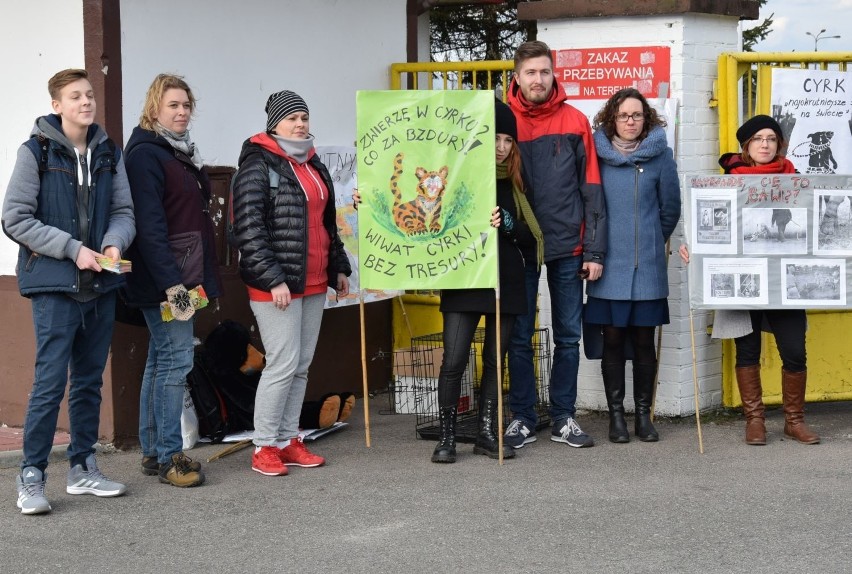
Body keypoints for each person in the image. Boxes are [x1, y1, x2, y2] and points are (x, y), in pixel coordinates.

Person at [2, 69, 135, 514]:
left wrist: (114, 241)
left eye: (89, 94)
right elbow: (15, 219)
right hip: (55, 285)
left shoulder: (107, 152)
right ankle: (32, 476)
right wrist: (72, 248)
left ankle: (82, 469)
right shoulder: (35, 151)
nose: (86, 102)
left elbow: (123, 211)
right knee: (48, 383)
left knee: (88, 382)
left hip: (100, 284)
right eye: (75, 96)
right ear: (56, 104)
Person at [679, 114, 819, 446]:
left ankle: (794, 421)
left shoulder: (796, 180)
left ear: (779, 144)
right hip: (742, 277)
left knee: (794, 351)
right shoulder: (728, 182)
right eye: (758, 139)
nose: (765, 144)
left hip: (784, 281)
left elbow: (812, 227)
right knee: (747, 349)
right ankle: (754, 420)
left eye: (771, 138)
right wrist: (694, 248)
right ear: (746, 146)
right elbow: (709, 225)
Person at [231, 90, 351, 476]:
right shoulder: (257, 165)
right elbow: (249, 230)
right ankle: (264, 445)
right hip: (277, 285)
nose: (300, 124)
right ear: (274, 124)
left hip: (314, 280)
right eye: (291, 118)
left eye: (304, 117)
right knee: (282, 363)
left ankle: (288, 439)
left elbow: (327, 224)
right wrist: (274, 279)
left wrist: (339, 268)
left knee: (300, 364)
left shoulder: (313, 164)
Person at [504, 40, 607, 449]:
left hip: (568, 246)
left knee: (568, 336)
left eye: (544, 71)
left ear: (553, 74)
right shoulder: (501, 121)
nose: (538, 80)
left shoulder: (576, 120)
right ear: (516, 77)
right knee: (518, 336)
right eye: (530, 72)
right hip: (518, 245)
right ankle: (524, 418)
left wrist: (595, 251)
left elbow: (592, 188)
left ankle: (564, 417)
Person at [430, 99, 544, 463]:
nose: (501, 146)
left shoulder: (515, 182)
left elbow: (533, 237)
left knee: (496, 361)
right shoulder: (456, 177)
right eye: (495, 137)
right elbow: (427, 214)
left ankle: (487, 433)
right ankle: (447, 437)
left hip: (504, 280)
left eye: (508, 140)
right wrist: (363, 201)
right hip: (465, 278)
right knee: (454, 359)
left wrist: (509, 225)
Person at [123, 74, 221, 487]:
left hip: (185, 275)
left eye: (186, 106)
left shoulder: (175, 152)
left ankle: (152, 450)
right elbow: (148, 226)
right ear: (154, 109)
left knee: (162, 358)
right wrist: (172, 286)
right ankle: (169, 458)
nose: (181, 113)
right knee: (176, 361)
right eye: (173, 106)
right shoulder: (147, 154)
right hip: (170, 281)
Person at [585, 88, 681, 443]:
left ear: (646, 119)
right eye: (624, 115)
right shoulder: (596, 155)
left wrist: (652, 239)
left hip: (648, 267)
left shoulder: (661, 157)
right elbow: (590, 205)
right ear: (612, 118)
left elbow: (670, 209)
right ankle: (616, 417)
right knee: (612, 340)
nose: (630, 121)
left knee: (643, 341)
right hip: (607, 265)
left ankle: (643, 416)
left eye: (637, 115)